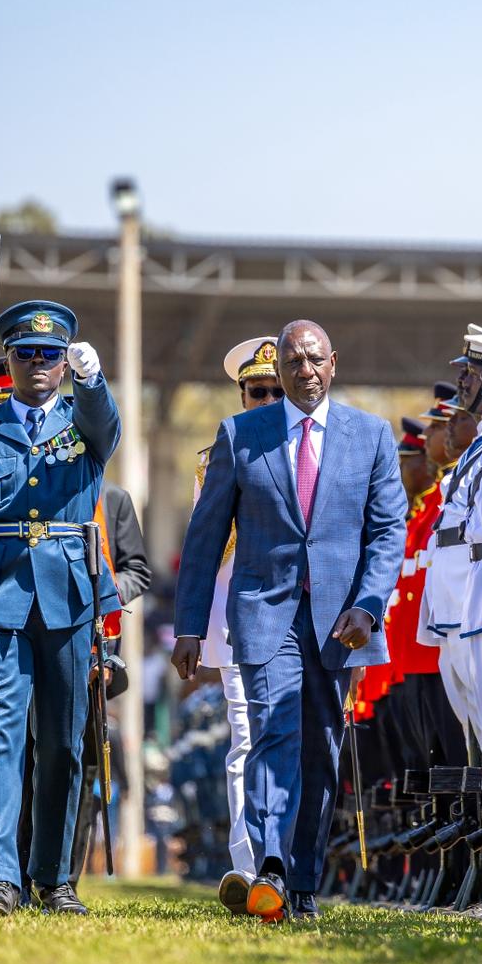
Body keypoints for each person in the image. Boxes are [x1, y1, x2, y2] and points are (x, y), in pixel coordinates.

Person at [172, 319, 405, 922]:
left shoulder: (371, 437)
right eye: (292, 361)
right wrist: (190, 626)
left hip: (340, 621)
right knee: (274, 730)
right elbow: (204, 539)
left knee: (322, 749)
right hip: (263, 612)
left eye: (314, 359)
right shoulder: (239, 435)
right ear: (278, 370)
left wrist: (371, 604)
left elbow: (387, 534)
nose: (304, 370)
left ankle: (302, 882)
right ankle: (270, 867)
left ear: (333, 364)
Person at [0, 299, 120, 915]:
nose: (40, 363)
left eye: (52, 353)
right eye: (28, 353)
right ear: (10, 359)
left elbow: (108, 432)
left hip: (68, 595)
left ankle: (53, 877)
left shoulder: (84, 419)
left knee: (65, 743)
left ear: (65, 361)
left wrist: (93, 379)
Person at [192, 336, 284, 915]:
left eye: (279, 390)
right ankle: (248, 867)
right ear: (240, 395)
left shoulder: (316, 450)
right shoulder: (215, 457)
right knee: (245, 743)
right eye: (258, 391)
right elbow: (206, 546)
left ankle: (288, 865)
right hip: (237, 612)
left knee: (293, 742)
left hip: (297, 615)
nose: (270, 399)